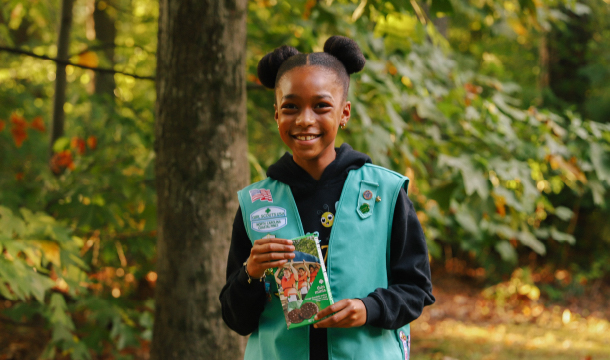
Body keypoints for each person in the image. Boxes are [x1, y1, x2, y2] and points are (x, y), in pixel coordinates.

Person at [219, 35, 435, 360]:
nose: (305, 120)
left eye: (321, 106)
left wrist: (368, 308)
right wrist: (250, 273)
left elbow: (416, 289)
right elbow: (236, 319)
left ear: (344, 113)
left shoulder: (384, 194)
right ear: (276, 114)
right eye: (291, 107)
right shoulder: (256, 203)